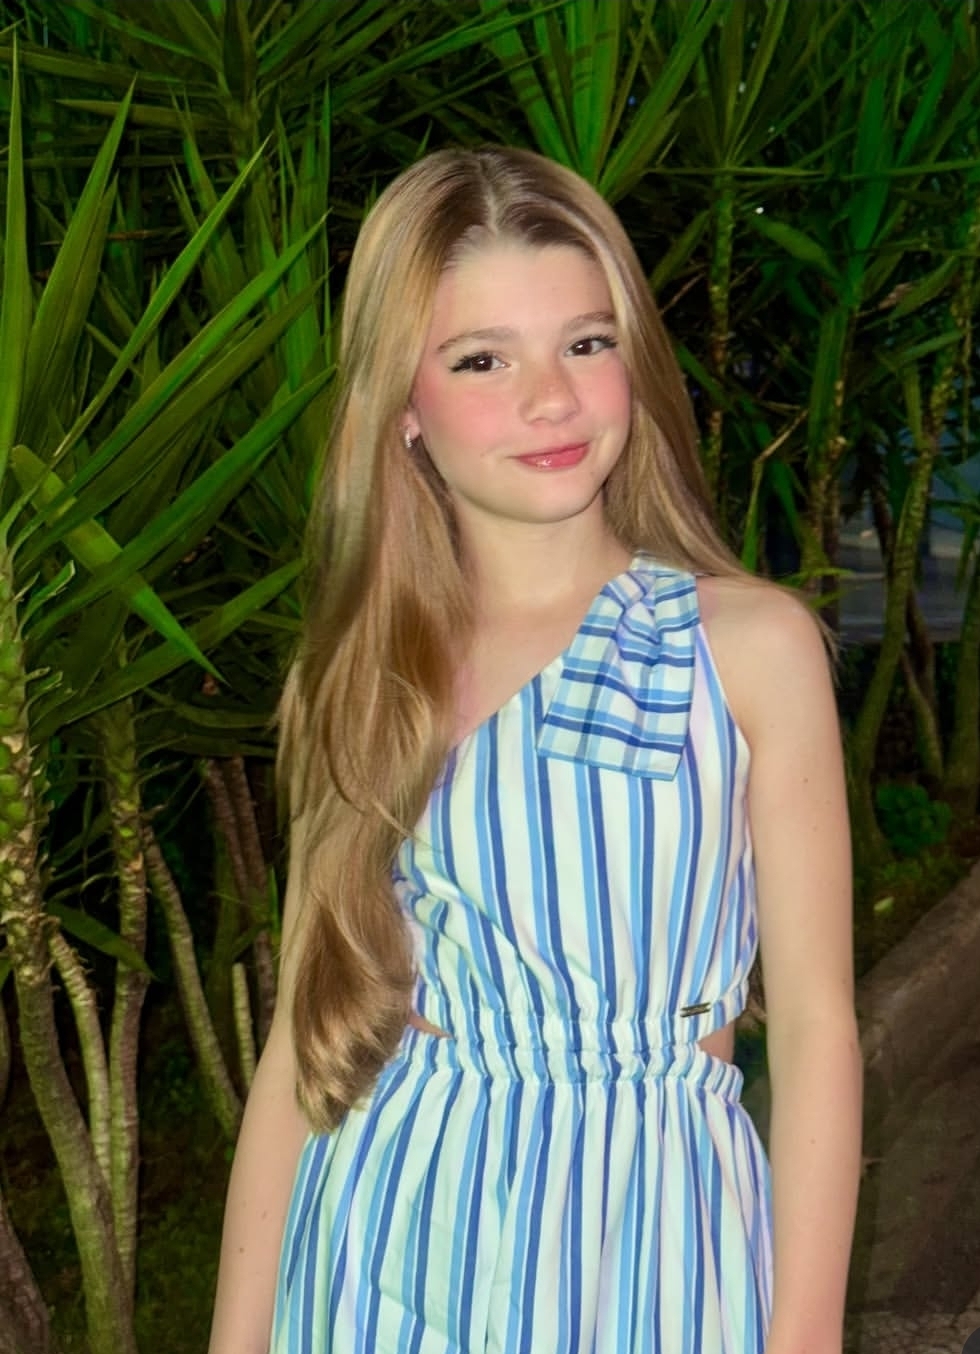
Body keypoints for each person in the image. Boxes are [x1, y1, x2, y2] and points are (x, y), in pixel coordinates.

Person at [208, 145, 862, 1354]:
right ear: (403, 406)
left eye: (584, 342)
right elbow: (304, 1043)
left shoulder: (743, 648)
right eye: (481, 359)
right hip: (386, 1247)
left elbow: (819, 1026)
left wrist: (804, 1332)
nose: (550, 398)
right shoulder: (367, 675)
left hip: (651, 1249)